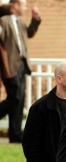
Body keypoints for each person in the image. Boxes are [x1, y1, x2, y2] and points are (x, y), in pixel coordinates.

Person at [0, 0, 41, 143]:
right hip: (9, 65)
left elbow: (30, 33)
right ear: (15, 6)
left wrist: (35, 20)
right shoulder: (3, 21)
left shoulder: (20, 22)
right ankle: (15, 133)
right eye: (23, 5)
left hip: (22, 65)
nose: (25, 7)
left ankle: (15, 135)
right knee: (15, 97)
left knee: (19, 100)